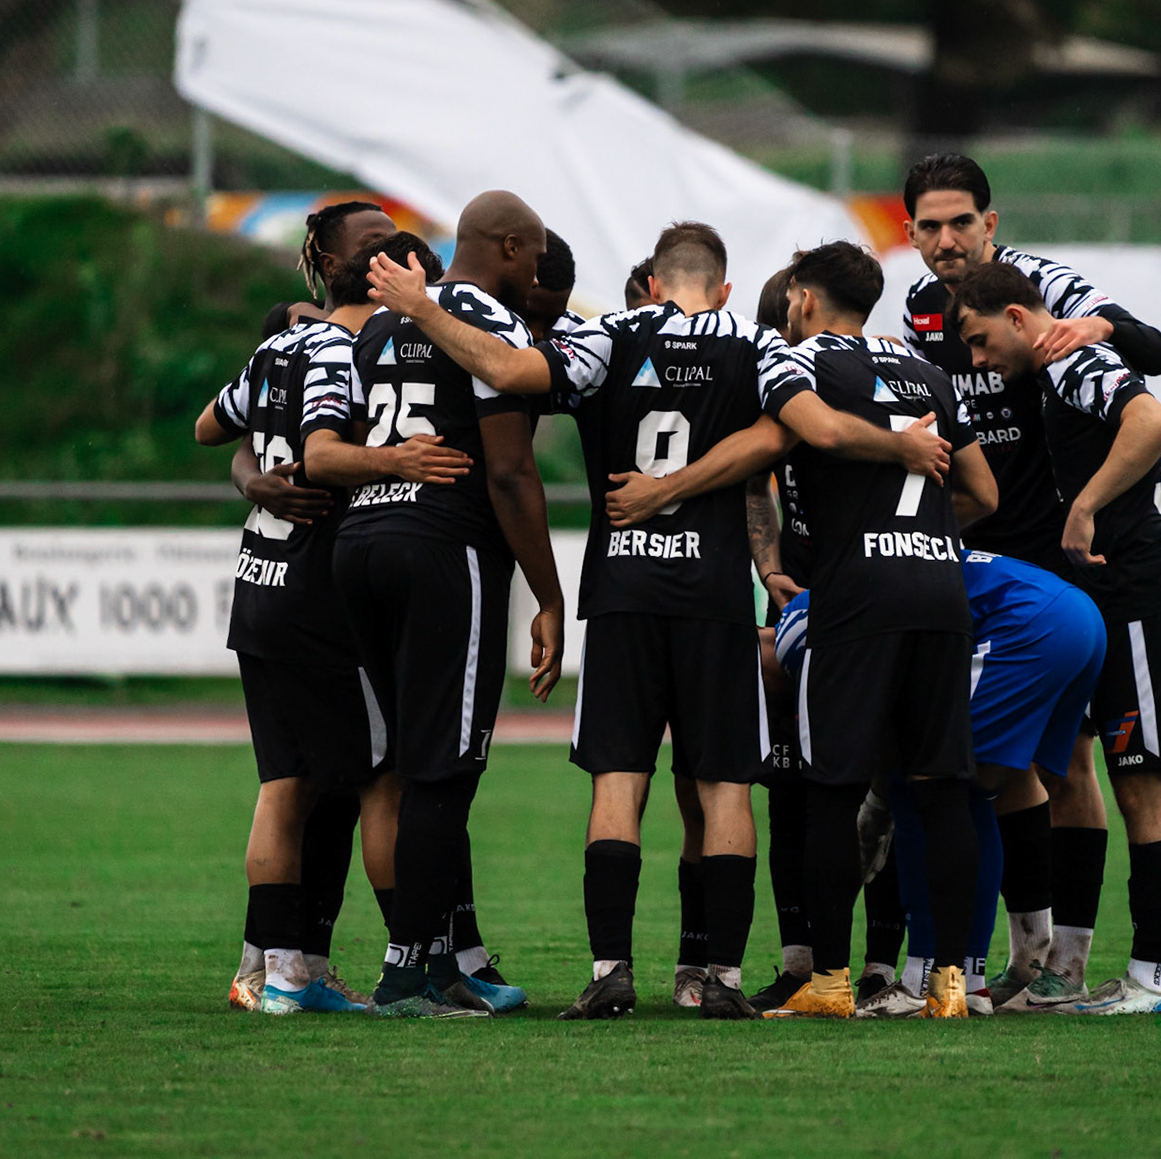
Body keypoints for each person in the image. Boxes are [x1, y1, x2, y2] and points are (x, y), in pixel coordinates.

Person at [368, 223, 951, 1021]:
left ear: (651, 285)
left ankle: (611, 972)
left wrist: (419, 308)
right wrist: (901, 444)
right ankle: (721, 978)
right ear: (723, 288)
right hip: (713, 599)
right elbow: (790, 431)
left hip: (623, 593)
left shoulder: (607, 333)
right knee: (724, 788)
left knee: (619, 780)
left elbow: (506, 368)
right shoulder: (757, 342)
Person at [897, 152, 1161, 1011]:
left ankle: (1068, 963)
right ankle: (1024, 954)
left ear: (991, 222)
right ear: (909, 233)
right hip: (976, 562)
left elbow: (1155, 356)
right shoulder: (918, 313)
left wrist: (1099, 330)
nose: (947, 241)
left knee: (1071, 765)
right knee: (996, 763)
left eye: (961, 223)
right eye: (929, 226)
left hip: (1062, 564)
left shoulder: (1046, 283)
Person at [307, 191, 567, 1020]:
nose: (536, 272)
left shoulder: (377, 325)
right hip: (443, 551)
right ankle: (407, 974)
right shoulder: (491, 318)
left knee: (396, 773)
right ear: (512, 246)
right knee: (445, 772)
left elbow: (336, 446)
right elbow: (509, 472)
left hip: (359, 547)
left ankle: (449, 963)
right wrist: (550, 594)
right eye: (533, 256)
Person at [952, 260, 1161, 1016]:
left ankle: (1147, 983)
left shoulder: (1068, 362)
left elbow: (1154, 421)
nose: (976, 361)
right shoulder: (1061, 367)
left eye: (978, 341)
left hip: (1144, 592)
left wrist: (1086, 505)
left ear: (1015, 315)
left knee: (1142, 790)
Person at [191, 221, 437, 1015]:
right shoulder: (340, 352)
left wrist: (255, 474)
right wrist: (400, 460)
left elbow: (210, 426)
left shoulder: (278, 348)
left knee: (288, 782)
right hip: (314, 596)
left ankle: (271, 971)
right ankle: (410, 973)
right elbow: (324, 453)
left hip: (259, 583)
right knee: (378, 777)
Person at [767, 549, 1106, 1016]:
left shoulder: (810, 631)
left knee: (932, 785)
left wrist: (877, 804)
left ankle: (926, 978)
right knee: (979, 790)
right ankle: (975, 977)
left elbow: (879, 716)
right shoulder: (848, 590)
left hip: (1027, 624)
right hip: (1075, 615)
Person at [734, 263, 907, 1013]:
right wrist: (770, 567)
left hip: (858, 601)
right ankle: (808, 960)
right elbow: (754, 481)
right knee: (794, 786)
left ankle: (873, 965)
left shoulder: (829, 373)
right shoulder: (798, 376)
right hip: (807, 603)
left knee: (869, 789)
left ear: (800, 315)